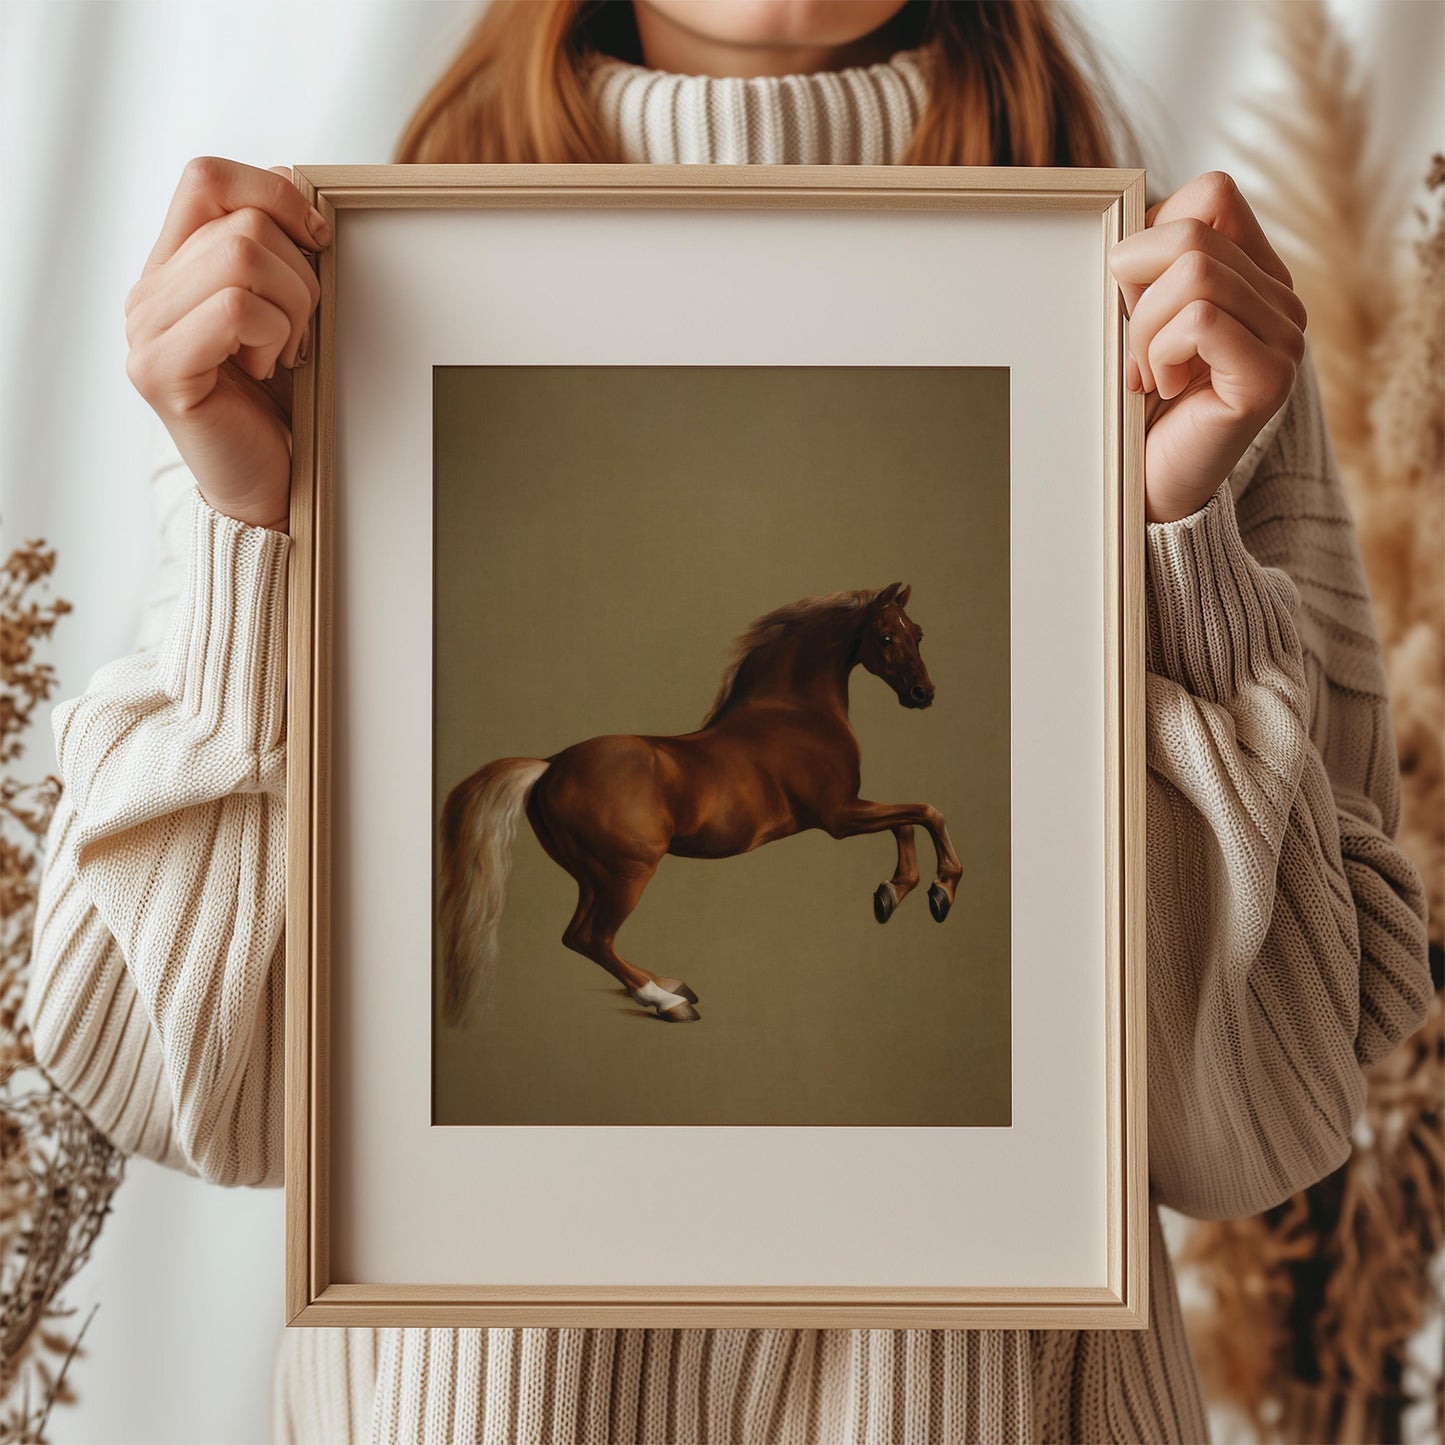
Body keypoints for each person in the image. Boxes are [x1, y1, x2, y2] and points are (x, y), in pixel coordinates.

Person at [25, 1, 1433, 1440]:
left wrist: (1176, 534)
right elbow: (183, 1091)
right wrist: (252, 536)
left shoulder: (1182, 332)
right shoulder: (328, 318)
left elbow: (1263, 1119)